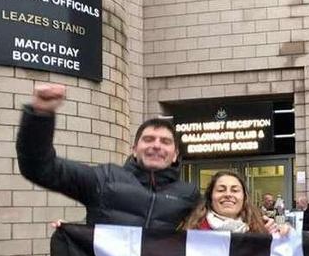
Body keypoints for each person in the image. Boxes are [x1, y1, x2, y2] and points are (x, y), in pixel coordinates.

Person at [17, 83, 198, 229]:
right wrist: (40, 115)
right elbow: (41, 169)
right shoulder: (104, 179)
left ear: (175, 155)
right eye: (149, 139)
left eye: (165, 142)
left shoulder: (189, 195)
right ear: (134, 149)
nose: (156, 146)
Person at [182, 170, 290, 236]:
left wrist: (284, 235)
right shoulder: (193, 231)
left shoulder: (263, 228)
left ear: (244, 197)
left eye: (235, 190)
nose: (228, 194)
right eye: (221, 190)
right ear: (210, 196)